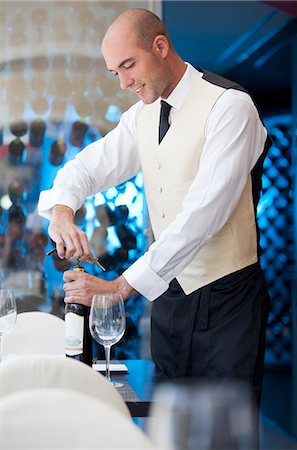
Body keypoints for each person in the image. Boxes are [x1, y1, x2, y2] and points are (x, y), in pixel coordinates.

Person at [38, 8, 270, 407]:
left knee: (225, 432)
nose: (124, 82)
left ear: (160, 46)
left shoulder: (230, 107)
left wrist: (119, 287)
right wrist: (62, 212)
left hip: (229, 301)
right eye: (116, 73)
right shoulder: (141, 116)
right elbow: (85, 168)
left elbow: (202, 216)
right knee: (170, 426)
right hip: (170, 303)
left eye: (129, 65)